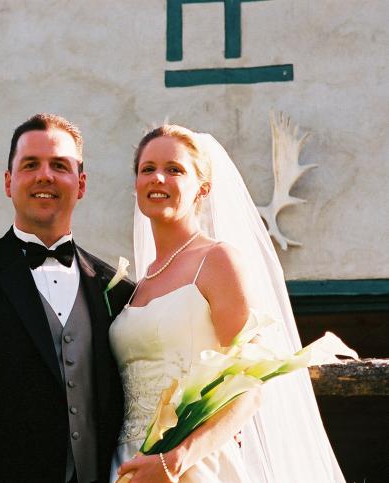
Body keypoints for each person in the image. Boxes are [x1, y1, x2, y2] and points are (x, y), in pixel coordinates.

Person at [109, 125, 345, 482]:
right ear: (137, 184)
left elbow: (250, 386)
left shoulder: (217, 260)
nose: (158, 177)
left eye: (174, 169)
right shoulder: (141, 283)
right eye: (148, 169)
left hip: (189, 467)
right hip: (127, 466)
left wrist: (174, 461)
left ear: (202, 188)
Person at [0, 113, 134, 483]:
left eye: (59, 166)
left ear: (80, 184)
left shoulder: (117, 288)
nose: (44, 176)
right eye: (30, 164)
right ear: (8, 181)